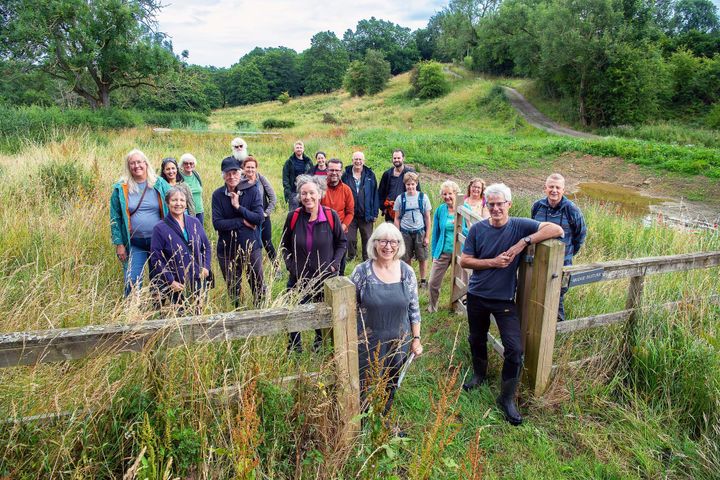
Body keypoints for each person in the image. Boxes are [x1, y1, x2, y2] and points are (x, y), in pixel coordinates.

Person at [460, 183, 564, 426]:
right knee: (476, 338)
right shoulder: (478, 230)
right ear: (487, 205)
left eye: (500, 204)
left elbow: (556, 229)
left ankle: (506, 398)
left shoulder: (519, 225)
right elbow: (465, 260)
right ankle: (479, 375)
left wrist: (523, 242)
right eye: (492, 204)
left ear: (509, 204)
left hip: (504, 300)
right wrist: (493, 263)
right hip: (477, 295)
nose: (496, 209)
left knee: (515, 349)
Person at [350, 223, 423, 417]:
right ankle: (362, 423)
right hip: (368, 341)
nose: (388, 246)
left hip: (399, 341)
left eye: (393, 242)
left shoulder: (407, 272)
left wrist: (416, 339)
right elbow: (348, 308)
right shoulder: (361, 272)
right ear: (374, 244)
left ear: (399, 245)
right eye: (383, 241)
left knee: (391, 382)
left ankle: (383, 418)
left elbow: (414, 308)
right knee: (365, 382)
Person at [281, 175, 346, 352]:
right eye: (304, 194)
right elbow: (284, 246)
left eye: (311, 193)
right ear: (299, 196)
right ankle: (295, 349)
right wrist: (292, 267)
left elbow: (342, 243)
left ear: (319, 194)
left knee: (320, 314)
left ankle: (319, 345)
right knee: (294, 314)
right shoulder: (293, 217)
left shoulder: (330, 216)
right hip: (298, 278)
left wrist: (334, 265)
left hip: (324, 278)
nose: (307, 197)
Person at [110, 149, 170, 296]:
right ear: (128, 166)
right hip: (135, 242)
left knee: (160, 281)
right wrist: (119, 244)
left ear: (146, 163)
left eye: (139, 162)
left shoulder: (159, 183)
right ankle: (134, 313)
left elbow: (176, 205)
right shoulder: (121, 188)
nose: (136, 166)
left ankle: (159, 313)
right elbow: (115, 217)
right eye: (132, 163)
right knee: (132, 281)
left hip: (158, 242)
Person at [531, 173, 587, 322]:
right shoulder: (537, 207)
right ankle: (540, 323)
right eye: (551, 187)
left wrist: (569, 253)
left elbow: (580, 235)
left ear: (563, 190)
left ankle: (557, 327)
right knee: (539, 290)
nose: (554, 190)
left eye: (558, 187)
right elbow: (533, 229)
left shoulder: (572, 209)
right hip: (540, 260)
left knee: (558, 294)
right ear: (545, 188)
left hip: (563, 262)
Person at [212, 157, 265, 307]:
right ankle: (237, 314)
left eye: (234, 172)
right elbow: (217, 224)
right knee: (233, 288)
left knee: (258, 285)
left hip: (250, 247)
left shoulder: (252, 191)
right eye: (228, 173)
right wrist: (241, 222)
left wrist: (238, 207)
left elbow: (259, 218)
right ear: (223, 175)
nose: (231, 176)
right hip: (227, 251)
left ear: (240, 173)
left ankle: (260, 314)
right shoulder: (217, 195)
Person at [150, 187, 212, 312]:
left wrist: (205, 266)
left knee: (197, 313)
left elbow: (206, 246)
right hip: (177, 284)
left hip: (197, 278)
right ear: (167, 203)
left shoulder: (194, 222)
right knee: (180, 316)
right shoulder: (160, 228)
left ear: (186, 203)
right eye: (174, 200)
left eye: (182, 200)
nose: (178, 203)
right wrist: (170, 281)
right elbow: (156, 258)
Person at [427, 180, 462, 312]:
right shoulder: (440, 210)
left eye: (450, 193)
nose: (447, 197)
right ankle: (432, 306)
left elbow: (469, 232)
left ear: (456, 193)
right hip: (443, 251)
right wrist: (434, 254)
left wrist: (457, 225)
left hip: (459, 252)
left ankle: (458, 308)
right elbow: (435, 233)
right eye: (444, 194)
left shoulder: (463, 209)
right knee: (433, 282)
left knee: (461, 283)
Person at [393, 172, 431, 288]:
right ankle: (409, 279)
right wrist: (397, 236)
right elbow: (397, 218)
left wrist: (427, 236)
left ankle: (423, 280)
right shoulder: (401, 198)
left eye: (413, 184)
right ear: (405, 185)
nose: (410, 187)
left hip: (420, 232)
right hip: (405, 232)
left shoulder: (423, 197)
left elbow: (427, 218)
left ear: (416, 184)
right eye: (408, 184)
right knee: (406, 257)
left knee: (422, 257)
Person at [342, 151, 379, 262]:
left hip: (366, 213)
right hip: (350, 214)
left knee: (367, 238)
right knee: (350, 239)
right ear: (352, 160)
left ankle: (367, 259)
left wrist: (375, 212)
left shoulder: (370, 175)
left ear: (363, 161)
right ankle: (351, 257)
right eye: (356, 159)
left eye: (360, 159)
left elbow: (375, 194)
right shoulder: (346, 175)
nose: (358, 161)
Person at [320, 158, 354, 275]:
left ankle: (340, 282)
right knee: (324, 263)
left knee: (340, 262)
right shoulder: (319, 189)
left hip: (341, 232)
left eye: (337, 170)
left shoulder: (346, 190)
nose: (334, 173)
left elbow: (350, 212)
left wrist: (343, 227)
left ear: (341, 172)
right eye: (331, 170)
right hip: (323, 232)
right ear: (327, 171)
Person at [242, 156, 278, 262]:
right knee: (251, 244)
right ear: (243, 168)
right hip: (247, 218)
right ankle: (253, 269)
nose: (250, 170)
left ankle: (277, 269)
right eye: (248, 167)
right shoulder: (239, 181)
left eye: (253, 167)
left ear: (256, 168)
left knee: (267, 243)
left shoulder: (261, 179)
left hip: (262, 218)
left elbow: (273, 198)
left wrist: (266, 213)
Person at [378, 149, 419, 222]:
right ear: (392, 159)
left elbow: (418, 191)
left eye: (399, 158)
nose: (396, 160)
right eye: (394, 158)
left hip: (407, 211)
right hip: (390, 212)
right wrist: (383, 208)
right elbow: (380, 193)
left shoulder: (410, 172)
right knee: (391, 233)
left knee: (404, 233)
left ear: (403, 158)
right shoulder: (387, 174)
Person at [282, 140, 313, 210]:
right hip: (293, 192)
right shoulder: (289, 162)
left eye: (300, 147)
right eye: (297, 147)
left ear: (303, 149)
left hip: (306, 191)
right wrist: (288, 192)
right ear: (294, 149)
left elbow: (312, 175)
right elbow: (285, 178)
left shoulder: (308, 161)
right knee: (294, 214)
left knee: (307, 212)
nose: (299, 149)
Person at [178, 153, 205, 225]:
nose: (188, 165)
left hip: (200, 211)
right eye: (186, 163)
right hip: (187, 212)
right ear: (182, 164)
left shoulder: (196, 175)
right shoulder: (179, 177)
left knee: (199, 233)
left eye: (191, 163)